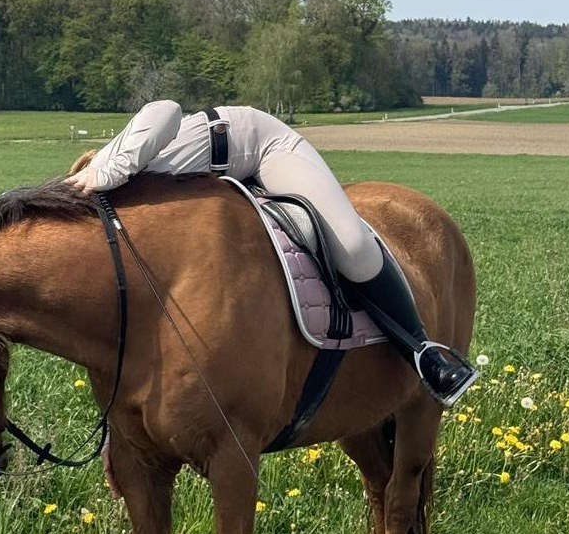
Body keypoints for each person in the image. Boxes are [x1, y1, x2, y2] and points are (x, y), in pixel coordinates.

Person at [66, 101, 477, 406]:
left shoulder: (107, 172)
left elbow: (166, 110)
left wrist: (105, 171)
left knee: (351, 246)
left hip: (261, 147)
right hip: (226, 184)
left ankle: (424, 352)